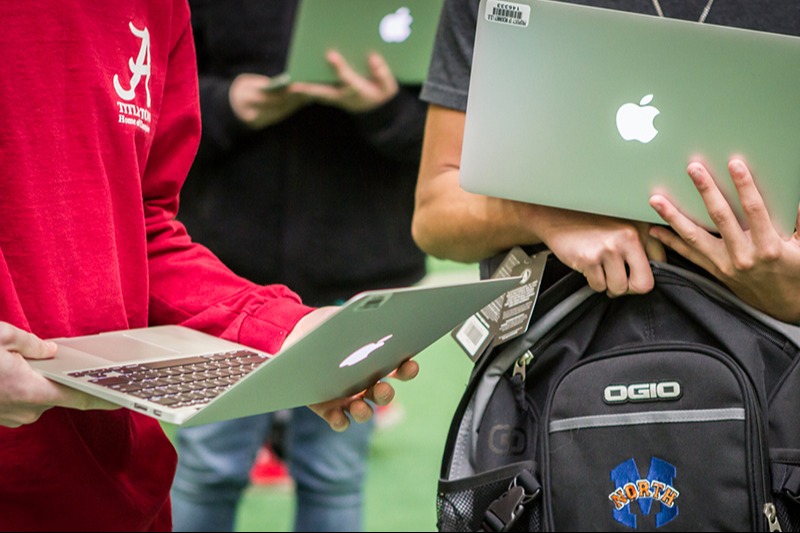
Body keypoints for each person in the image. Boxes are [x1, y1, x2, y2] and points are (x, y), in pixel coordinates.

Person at [0, 1, 419, 531]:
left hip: (116, 487)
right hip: (18, 483)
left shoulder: (161, 8)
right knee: (214, 471)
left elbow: (143, 231)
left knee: (332, 477)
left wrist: (287, 327)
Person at [170, 2, 428, 531]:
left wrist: (382, 107)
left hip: (360, 267)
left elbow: (448, 129)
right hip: (221, 267)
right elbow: (153, 93)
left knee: (333, 472)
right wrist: (225, 104)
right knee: (206, 468)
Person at [412, 0, 800, 324]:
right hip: (550, 373)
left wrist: (791, 295)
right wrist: (536, 214)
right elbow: (434, 215)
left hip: (768, 372)